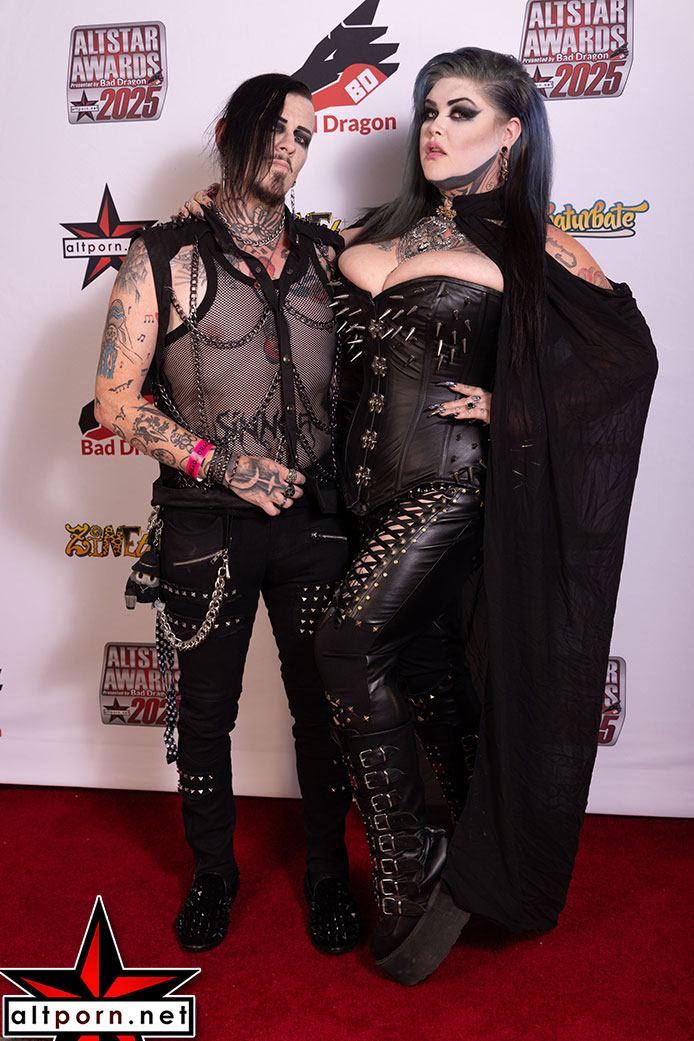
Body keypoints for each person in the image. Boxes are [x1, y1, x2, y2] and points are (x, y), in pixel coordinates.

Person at [313, 47, 658, 985]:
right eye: (428, 109)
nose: (435, 126)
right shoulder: (386, 229)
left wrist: (516, 408)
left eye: (460, 111)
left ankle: (410, 857)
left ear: (510, 132)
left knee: (347, 643)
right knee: (428, 674)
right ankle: (464, 843)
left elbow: (626, 363)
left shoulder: (535, 242)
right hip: (368, 493)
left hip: (453, 486)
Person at [93, 73, 362, 956]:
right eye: (275, 127)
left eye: (305, 135)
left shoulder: (328, 253)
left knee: (321, 711)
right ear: (228, 131)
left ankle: (329, 875)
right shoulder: (165, 253)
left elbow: (427, 260)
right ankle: (214, 873)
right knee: (205, 714)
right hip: (206, 525)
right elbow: (114, 399)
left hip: (315, 520)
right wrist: (224, 464)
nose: (290, 145)